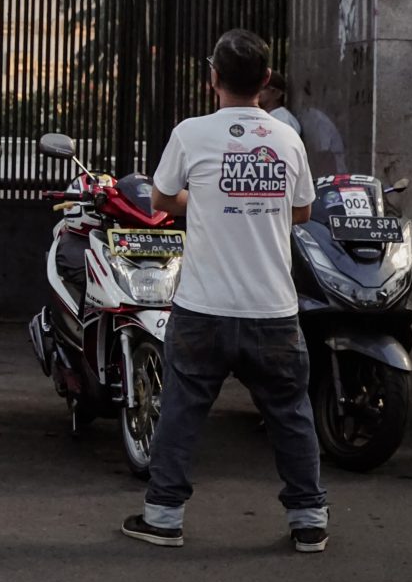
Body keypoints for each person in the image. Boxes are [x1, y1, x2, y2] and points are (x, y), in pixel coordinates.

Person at [122, 29, 328, 553]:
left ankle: (163, 517)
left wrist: (210, 201)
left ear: (212, 77)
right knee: (291, 414)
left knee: (181, 412)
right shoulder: (287, 138)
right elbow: (302, 210)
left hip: (202, 309)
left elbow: (162, 199)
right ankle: (309, 520)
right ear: (265, 79)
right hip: (274, 310)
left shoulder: (191, 133)